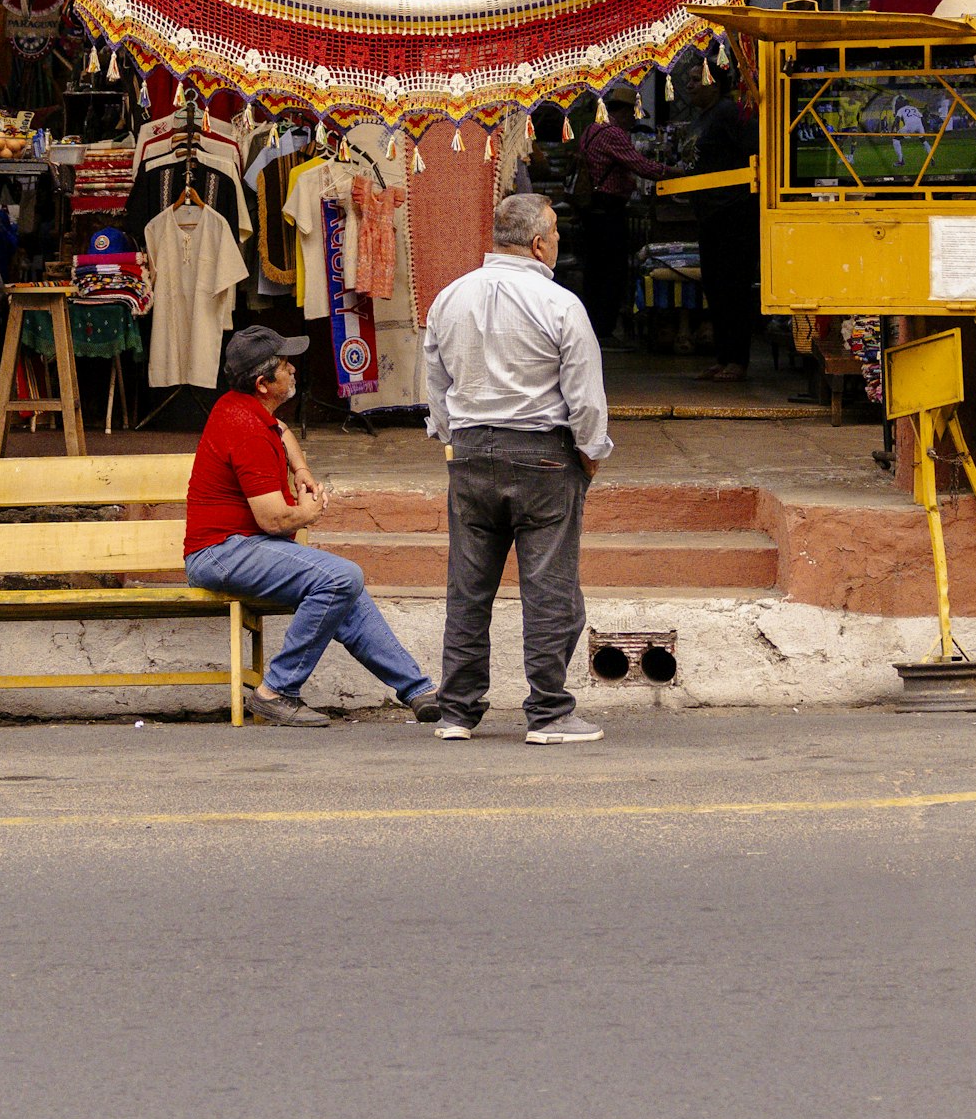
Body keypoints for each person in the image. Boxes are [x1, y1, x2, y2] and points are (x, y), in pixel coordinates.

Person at [421, 190, 612, 743]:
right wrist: (590, 453)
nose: (557, 243)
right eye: (554, 234)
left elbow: (435, 387)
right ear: (537, 243)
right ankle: (549, 712)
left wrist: (454, 438)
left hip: (472, 454)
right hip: (544, 457)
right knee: (550, 589)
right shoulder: (560, 305)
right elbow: (586, 397)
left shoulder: (450, 298)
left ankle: (456, 710)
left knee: (468, 587)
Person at [182, 324, 439, 726]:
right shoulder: (247, 429)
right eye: (286, 366)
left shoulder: (242, 407)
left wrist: (299, 468)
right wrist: (309, 511)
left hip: (237, 548)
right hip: (223, 552)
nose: (294, 371)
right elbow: (272, 519)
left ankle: (419, 690)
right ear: (264, 383)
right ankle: (276, 690)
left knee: (344, 586)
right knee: (340, 577)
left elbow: (282, 432)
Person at [690, 72, 762, 383]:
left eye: (696, 79)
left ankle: (738, 360)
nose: (689, 85)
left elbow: (755, 152)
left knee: (734, 287)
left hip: (734, 213)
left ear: (713, 84)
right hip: (710, 215)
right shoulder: (704, 118)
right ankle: (722, 357)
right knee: (714, 286)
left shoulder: (730, 112)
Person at [573, 91, 657, 339]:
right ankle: (604, 328)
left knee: (595, 270)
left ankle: (593, 325)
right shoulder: (614, 134)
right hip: (608, 210)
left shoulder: (592, 129)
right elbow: (641, 165)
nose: (634, 120)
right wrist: (672, 172)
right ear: (624, 111)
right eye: (634, 114)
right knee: (612, 271)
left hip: (592, 209)